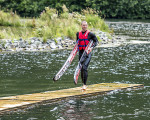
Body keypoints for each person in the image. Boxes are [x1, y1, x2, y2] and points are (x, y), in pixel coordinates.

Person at [76, 21, 98, 90]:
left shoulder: (90, 34)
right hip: (81, 53)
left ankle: (84, 85)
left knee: (85, 67)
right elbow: (77, 42)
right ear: (81, 25)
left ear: (87, 26)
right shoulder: (78, 34)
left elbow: (96, 41)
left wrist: (91, 47)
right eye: (83, 25)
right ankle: (83, 83)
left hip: (87, 53)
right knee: (81, 68)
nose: (84, 26)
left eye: (85, 25)